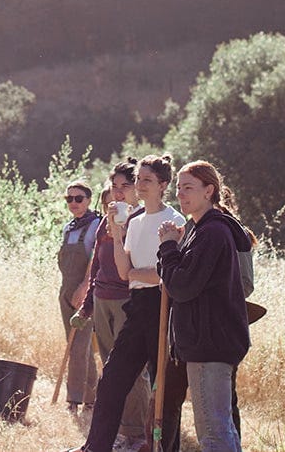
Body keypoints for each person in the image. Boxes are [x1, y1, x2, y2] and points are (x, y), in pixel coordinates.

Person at [63, 153, 187, 452]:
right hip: (138, 306)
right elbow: (123, 271)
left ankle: (165, 449)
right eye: (139, 180)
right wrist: (117, 236)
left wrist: (138, 272)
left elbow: (166, 274)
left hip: (166, 309)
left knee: (165, 392)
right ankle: (96, 446)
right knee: (112, 380)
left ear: (163, 184)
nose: (140, 185)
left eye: (147, 180)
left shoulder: (175, 220)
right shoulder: (135, 220)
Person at [156, 161, 253, 452]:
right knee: (220, 427)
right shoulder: (201, 230)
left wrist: (168, 246)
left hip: (208, 342)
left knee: (213, 431)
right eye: (178, 188)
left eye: (189, 188)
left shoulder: (211, 233)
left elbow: (182, 287)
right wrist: (173, 247)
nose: (181, 194)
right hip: (210, 340)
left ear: (209, 190)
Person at [73, 163, 149, 447]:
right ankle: (117, 432)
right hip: (102, 298)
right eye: (114, 186)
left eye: (124, 186)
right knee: (109, 370)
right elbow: (97, 264)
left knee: (132, 371)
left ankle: (136, 434)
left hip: (126, 299)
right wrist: (88, 302)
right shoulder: (108, 217)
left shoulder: (141, 219)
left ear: (137, 189)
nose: (117, 192)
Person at [57, 178, 101, 412]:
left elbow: (96, 260)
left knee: (79, 346)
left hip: (85, 292)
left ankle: (73, 400)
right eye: (69, 199)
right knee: (77, 346)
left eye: (78, 198)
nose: (74, 203)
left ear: (89, 200)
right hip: (65, 290)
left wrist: (84, 286)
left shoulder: (96, 225)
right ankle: (91, 398)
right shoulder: (68, 227)